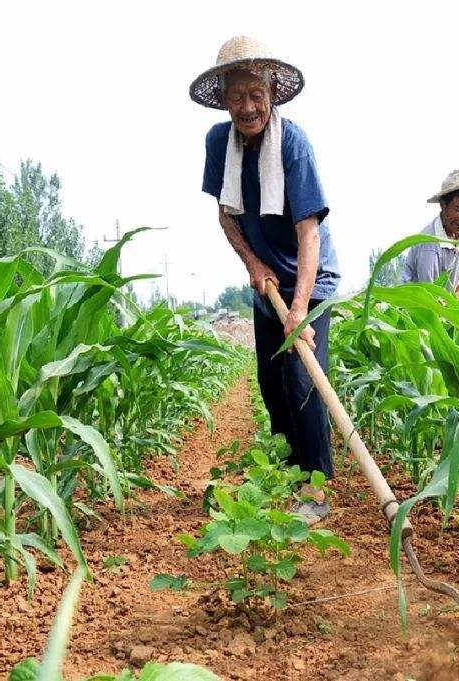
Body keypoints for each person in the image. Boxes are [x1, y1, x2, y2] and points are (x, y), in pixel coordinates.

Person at [192, 36, 339, 525]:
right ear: (224, 99)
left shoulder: (293, 145)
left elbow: (309, 232)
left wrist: (300, 309)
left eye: (257, 94)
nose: (248, 106)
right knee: (271, 381)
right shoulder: (220, 143)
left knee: (302, 379)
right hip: (266, 276)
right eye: (238, 96)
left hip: (309, 278)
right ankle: (290, 471)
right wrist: (254, 267)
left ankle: (317, 490)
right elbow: (226, 217)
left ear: (272, 93)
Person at [401, 170, 459, 299]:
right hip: (418, 306)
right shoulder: (429, 246)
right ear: (443, 206)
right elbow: (429, 296)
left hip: (444, 302)